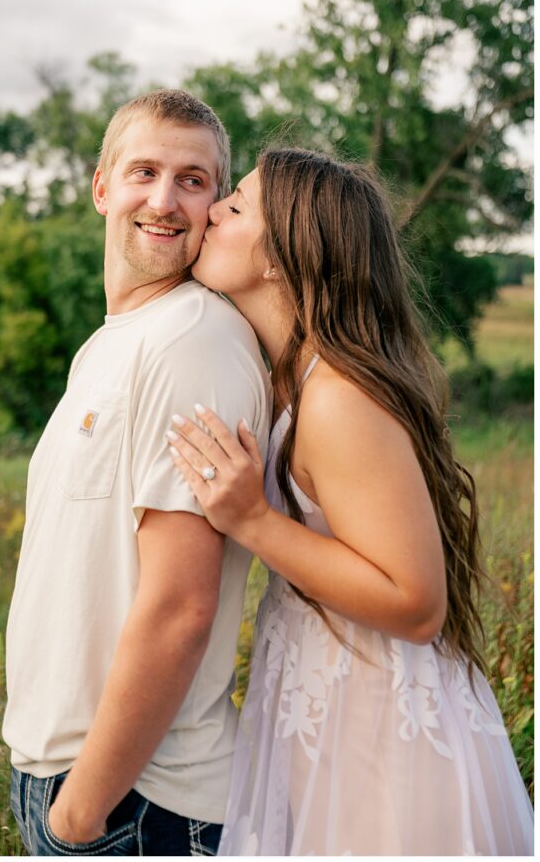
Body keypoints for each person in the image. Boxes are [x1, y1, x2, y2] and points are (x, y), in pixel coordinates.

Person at [168, 148, 534, 856]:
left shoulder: (337, 398)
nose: (212, 210)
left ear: (281, 257)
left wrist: (252, 520)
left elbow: (417, 603)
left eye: (235, 205)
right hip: (316, 700)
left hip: (374, 728)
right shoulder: (288, 376)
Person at [3, 90, 271, 857]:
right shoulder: (114, 342)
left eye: (193, 180)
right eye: (144, 171)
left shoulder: (193, 341)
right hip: (81, 787)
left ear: (217, 201)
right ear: (101, 187)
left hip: (139, 805)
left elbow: (182, 609)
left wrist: (81, 812)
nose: (164, 199)